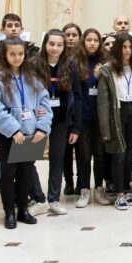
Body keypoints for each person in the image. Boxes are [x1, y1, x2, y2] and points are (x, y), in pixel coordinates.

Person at [0, 38, 52, 229]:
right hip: (7, 135)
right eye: (12, 54)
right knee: (8, 172)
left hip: (30, 133)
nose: (17, 58)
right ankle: (9, 212)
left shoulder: (32, 78)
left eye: (20, 54)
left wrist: (41, 128)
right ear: (5, 55)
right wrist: (13, 129)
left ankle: (23, 208)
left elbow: (45, 106)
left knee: (25, 172)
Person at [30, 29, 82, 216]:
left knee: (57, 160)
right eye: (52, 44)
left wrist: (76, 126)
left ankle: (53, 199)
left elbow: (77, 96)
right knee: (29, 160)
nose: (55, 48)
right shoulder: (33, 65)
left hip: (61, 121)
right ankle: (38, 198)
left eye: (59, 45)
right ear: (45, 44)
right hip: (37, 121)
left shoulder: (70, 65)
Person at [97, 33, 132, 211]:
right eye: (123, 47)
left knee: (129, 154)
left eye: (130, 47)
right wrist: (105, 129)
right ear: (117, 49)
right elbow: (103, 102)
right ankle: (119, 193)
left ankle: (126, 188)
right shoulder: (107, 70)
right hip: (118, 112)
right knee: (118, 153)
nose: (127, 51)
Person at [74, 28, 110, 208]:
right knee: (84, 155)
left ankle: (99, 188)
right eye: (89, 40)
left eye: (96, 40)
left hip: (101, 117)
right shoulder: (76, 62)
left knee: (100, 154)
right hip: (83, 117)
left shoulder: (106, 62)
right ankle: (84, 190)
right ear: (83, 41)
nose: (92, 43)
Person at [59, 22, 83, 195]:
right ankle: (68, 181)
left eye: (74, 35)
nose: (70, 38)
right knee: (65, 151)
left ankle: (81, 182)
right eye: (67, 35)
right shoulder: (58, 57)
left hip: (81, 109)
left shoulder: (84, 58)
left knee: (82, 151)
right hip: (63, 110)